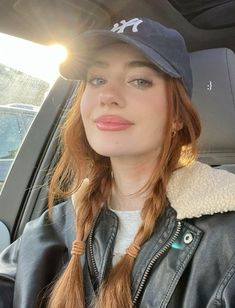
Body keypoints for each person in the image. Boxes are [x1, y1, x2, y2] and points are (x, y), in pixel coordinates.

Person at [0, 17, 235, 308]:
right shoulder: (51, 227)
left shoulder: (226, 238)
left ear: (177, 115)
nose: (107, 95)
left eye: (139, 81)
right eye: (97, 79)